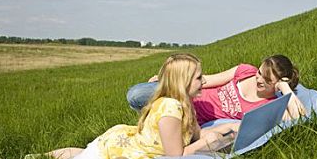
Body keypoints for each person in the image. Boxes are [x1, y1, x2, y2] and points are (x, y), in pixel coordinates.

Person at [0, 53, 239, 159]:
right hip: (113, 154)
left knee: (79, 153)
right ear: (183, 81)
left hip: (122, 143)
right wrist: (207, 144)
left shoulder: (186, 104)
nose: (204, 81)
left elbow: (194, 135)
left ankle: (39, 155)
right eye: (198, 77)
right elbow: (176, 157)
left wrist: (228, 130)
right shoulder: (171, 109)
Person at [127, 54, 307, 125]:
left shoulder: (270, 104)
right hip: (189, 92)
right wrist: (172, 80)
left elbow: (300, 117)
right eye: (259, 73)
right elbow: (206, 80)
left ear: (277, 84)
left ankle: (154, 116)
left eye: (266, 79)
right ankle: (153, 114)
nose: (258, 79)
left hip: (190, 114)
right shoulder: (246, 71)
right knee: (135, 95)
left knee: (149, 109)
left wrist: (285, 87)